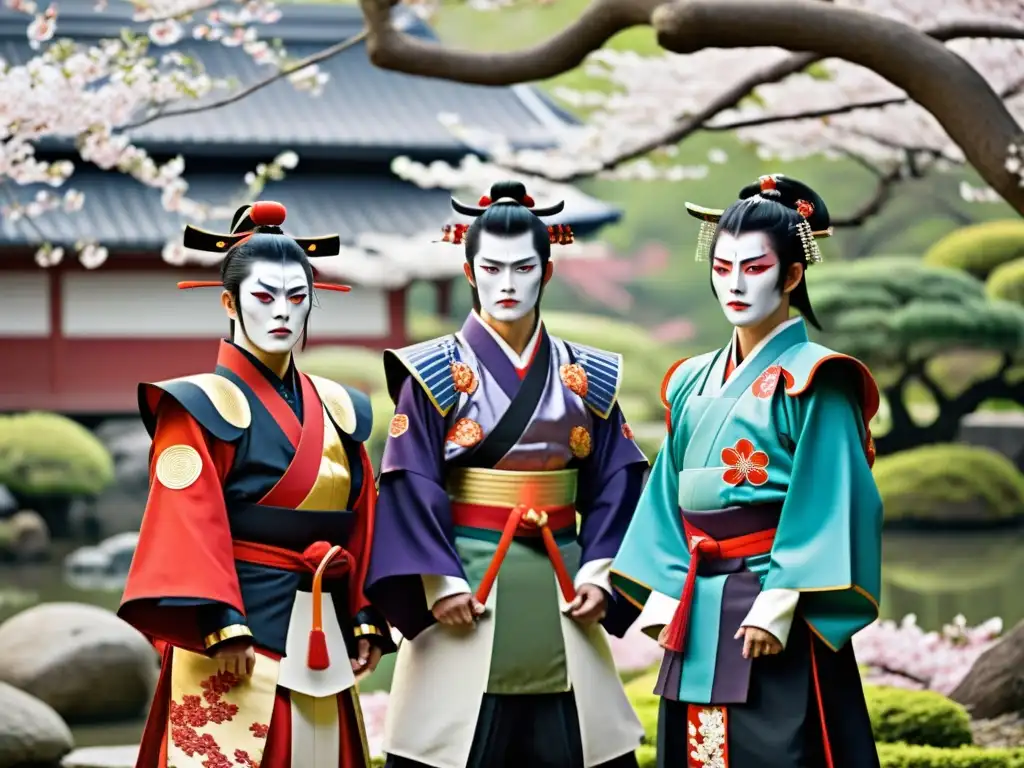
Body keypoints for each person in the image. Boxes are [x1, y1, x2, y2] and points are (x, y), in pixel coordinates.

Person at [364, 180, 648, 768]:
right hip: (465, 581)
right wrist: (437, 583)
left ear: (547, 272)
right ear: (469, 271)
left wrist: (602, 572)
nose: (508, 284)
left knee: (580, 743)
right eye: (492, 268)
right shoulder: (429, 372)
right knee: (452, 739)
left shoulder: (588, 373)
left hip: (566, 577)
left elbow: (619, 479)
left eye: (524, 268)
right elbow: (407, 481)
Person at [610, 175, 883, 768]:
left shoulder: (820, 380)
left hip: (772, 603)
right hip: (699, 602)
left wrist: (779, 601)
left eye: (754, 267)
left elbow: (831, 501)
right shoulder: (688, 379)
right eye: (722, 266)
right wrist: (661, 595)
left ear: (791, 275)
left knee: (782, 748)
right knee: (700, 751)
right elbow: (665, 497)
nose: (734, 283)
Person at [119, 201, 394, 768]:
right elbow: (186, 519)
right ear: (229, 301)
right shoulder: (195, 406)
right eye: (264, 296)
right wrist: (219, 618)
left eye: (298, 298)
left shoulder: (340, 407)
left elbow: (364, 513)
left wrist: (364, 612)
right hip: (235, 624)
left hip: (322, 619)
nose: (282, 313)